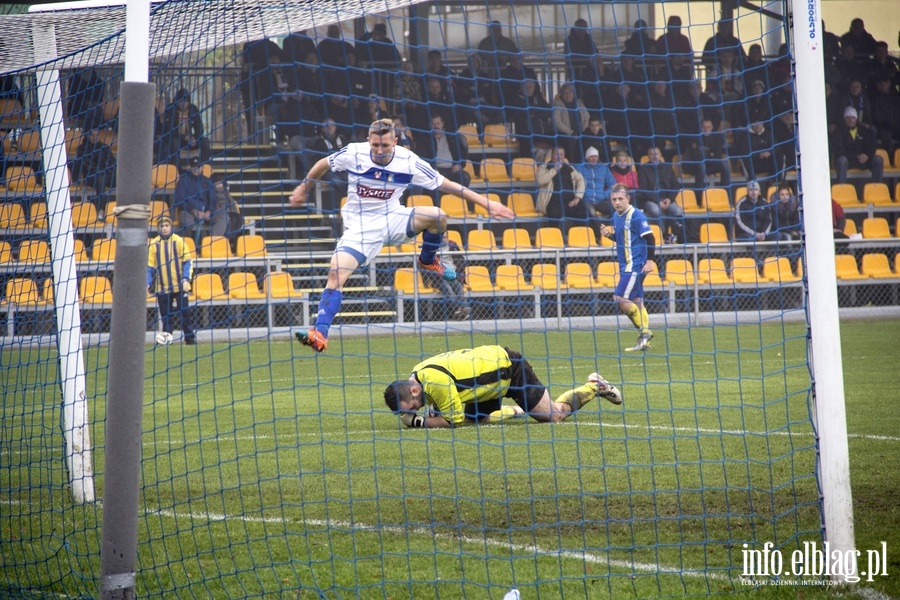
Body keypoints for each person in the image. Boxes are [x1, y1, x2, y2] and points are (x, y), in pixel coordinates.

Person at [288, 118, 513, 353]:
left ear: (395, 141)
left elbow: (447, 185)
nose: (380, 151)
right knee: (335, 273)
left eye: (385, 145)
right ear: (369, 141)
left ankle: (428, 259)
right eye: (375, 145)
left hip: (393, 218)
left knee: (439, 216)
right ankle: (320, 334)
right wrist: (304, 188)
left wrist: (486, 203)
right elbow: (322, 164)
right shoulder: (354, 152)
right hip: (360, 228)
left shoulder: (408, 161)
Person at [383, 345, 623, 428]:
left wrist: (421, 422)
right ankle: (515, 412)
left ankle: (594, 386)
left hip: (510, 371)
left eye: (412, 407)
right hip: (487, 385)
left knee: (553, 416)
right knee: (475, 419)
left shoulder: (432, 382)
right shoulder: (418, 374)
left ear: (414, 390)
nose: (413, 410)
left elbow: (452, 422)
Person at [599, 184, 656, 352]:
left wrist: (650, 261)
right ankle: (644, 341)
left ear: (628, 198)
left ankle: (645, 333)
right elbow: (624, 239)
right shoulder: (617, 216)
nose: (617, 202)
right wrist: (609, 235)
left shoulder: (637, 216)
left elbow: (651, 238)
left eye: (620, 199)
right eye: (614, 199)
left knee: (619, 298)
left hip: (635, 265)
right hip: (627, 265)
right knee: (637, 300)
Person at [147, 216, 196, 345]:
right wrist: (147, 282)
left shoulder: (179, 241)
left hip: (180, 286)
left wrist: (186, 279)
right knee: (166, 317)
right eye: (162, 226)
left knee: (185, 313)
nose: (164, 228)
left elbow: (187, 262)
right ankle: (167, 340)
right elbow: (149, 266)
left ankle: (190, 338)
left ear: (170, 227)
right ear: (158, 228)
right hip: (162, 287)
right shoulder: (154, 244)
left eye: (166, 226)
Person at [636, 146, 685, 243]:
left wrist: (670, 199)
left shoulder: (667, 167)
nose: (654, 156)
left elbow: (676, 185)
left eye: (656, 154)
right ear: (648, 156)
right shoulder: (643, 169)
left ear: (660, 155)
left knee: (678, 211)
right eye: (651, 154)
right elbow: (644, 190)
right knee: (656, 211)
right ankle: (663, 235)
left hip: (667, 199)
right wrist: (658, 201)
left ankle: (679, 237)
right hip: (650, 200)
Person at [536, 145, 587, 236]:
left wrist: (577, 197)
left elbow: (581, 180)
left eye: (561, 154)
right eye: (557, 154)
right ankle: (555, 239)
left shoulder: (569, 168)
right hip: (552, 202)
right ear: (552, 155)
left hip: (569, 202)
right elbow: (541, 180)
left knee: (583, 212)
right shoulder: (544, 167)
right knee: (554, 216)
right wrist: (555, 169)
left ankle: (573, 234)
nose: (559, 157)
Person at [71, 126, 117, 220]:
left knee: (122, 179)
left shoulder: (105, 147)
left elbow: (112, 163)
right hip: (91, 177)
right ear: (87, 135)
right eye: (92, 134)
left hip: (106, 175)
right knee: (100, 178)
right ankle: (101, 209)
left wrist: (104, 170)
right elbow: (87, 165)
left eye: (97, 134)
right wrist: (101, 170)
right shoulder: (82, 149)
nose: (95, 137)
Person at [174, 157, 223, 241]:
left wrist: (209, 211)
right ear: (190, 167)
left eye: (199, 166)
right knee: (187, 222)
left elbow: (213, 199)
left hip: (205, 212)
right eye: (194, 166)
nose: (196, 169)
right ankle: (187, 247)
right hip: (188, 211)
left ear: (202, 167)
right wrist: (194, 211)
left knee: (223, 217)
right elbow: (179, 200)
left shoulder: (207, 181)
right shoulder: (183, 180)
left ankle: (212, 244)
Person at [831, 106, 884, 184]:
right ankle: (842, 189)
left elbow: (872, 145)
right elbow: (839, 150)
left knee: (878, 160)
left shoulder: (864, 130)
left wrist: (867, 155)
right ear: (844, 119)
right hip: (848, 160)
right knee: (841, 160)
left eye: (853, 117)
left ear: (856, 119)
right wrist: (856, 156)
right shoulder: (838, 131)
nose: (850, 120)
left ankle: (877, 188)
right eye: (847, 117)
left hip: (863, 160)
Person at [417, 114, 470, 189]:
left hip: (452, 170)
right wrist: (433, 169)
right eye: (433, 124)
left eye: (438, 123)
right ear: (430, 125)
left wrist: (459, 164)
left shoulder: (452, 137)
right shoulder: (425, 139)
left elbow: (462, 153)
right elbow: (423, 158)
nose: (436, 126)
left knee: (465, 177)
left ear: (442, 124)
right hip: (436, 171)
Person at [163, 88, 210, 165]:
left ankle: (204, 166)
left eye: (186, 102)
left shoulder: (193, 109)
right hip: (176, 139)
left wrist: (195, 138)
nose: (183, 104)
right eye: (181, 101)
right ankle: (177, 168)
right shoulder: (171, 109)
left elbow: (199, 128)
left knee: (205, 141)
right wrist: (184, 137)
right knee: (174, 143)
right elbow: (169, 130)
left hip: (190, 140)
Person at [683, 117, 732, 188]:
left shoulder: (716, 139)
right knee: (701, 165)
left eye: (708, 127)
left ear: (712, 128)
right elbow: (696, 157)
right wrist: (710, 155)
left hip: (708, 165)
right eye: (704, 127)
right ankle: (700, 196)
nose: (706, 130)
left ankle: (725, 192)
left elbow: (718, 156)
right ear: (701, 127)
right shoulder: (694, 138)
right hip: (694, 166)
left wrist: (707, 157)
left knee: (724, 164)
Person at [552, 83, 590, 163]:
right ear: (561, 94)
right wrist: (570, 132)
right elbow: (557, 122)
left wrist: (584, 130)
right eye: (565, 93)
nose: (568, 95)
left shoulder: (579, 103)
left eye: (570, 92)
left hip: (581, 133)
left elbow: (587, 117)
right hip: (565, 135)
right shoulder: (557, 104)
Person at [576, 145, 617, 219]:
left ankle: (609, 228)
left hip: (600, 201)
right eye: (591, 156)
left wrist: (605, 195)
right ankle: (600, 230)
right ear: (586, 158)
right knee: (591, 212)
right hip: (586, 200)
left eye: (596, 156)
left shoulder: (604, 169)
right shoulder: (579, 168)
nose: (594, 159)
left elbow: (613, 185)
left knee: (617, 210)